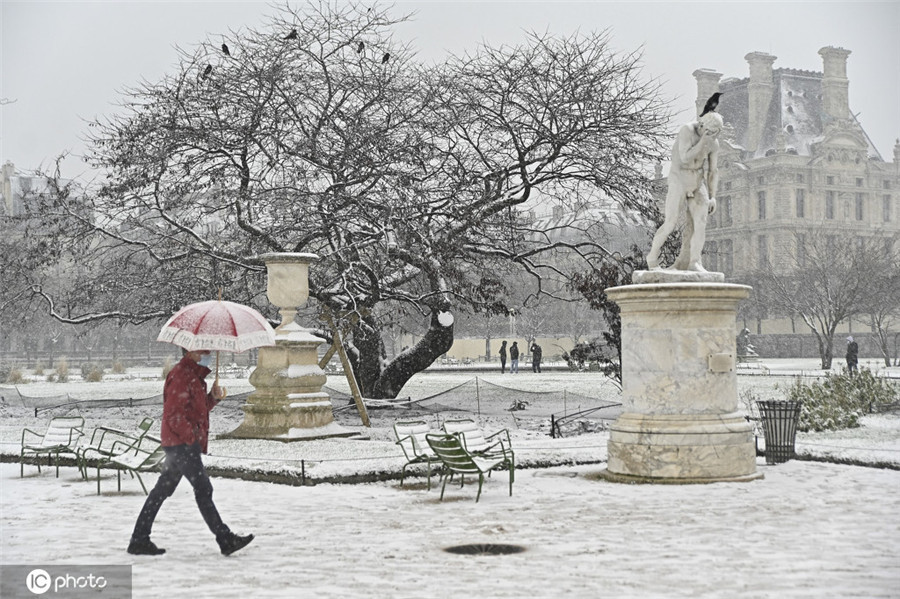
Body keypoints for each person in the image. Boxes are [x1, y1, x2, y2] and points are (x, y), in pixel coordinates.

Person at [127, 348, 253, 557]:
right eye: (204, 350)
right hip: (181, 445)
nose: (209, 353)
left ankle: (139, 539)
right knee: (203, 489)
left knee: (162, 490)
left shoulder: (194, 376)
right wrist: (190, 440)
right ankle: (225, 539)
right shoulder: (181, 375)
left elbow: (196, 411)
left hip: (179, 443)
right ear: (191, 352)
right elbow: (174, 415)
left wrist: (213, 398)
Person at [646, 110, 724, 272]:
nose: (713, 137)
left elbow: (713, 171)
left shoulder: (713, 142)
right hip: (678, 180)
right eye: (711, 132)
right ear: (702, 126)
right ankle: (652, 256)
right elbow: (685, 157)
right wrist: (702, 142)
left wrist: (713, 196)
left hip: (697, 181)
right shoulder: (686, 130)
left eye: (716, 133)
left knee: (700, 222)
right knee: (670, 223)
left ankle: (695, 261)